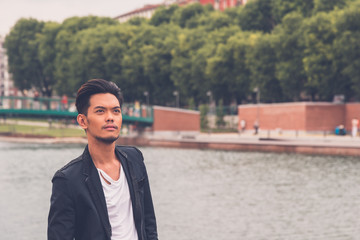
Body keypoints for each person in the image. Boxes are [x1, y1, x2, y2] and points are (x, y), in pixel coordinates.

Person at [48, 79, 158, 240]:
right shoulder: (67, 179)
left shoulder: (135, 159)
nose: (110, 117)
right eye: (100, 111)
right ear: (82, 121)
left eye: (116, 111)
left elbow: (149, 222)